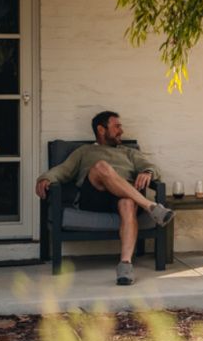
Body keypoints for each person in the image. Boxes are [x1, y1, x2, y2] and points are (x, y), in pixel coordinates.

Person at [35, 110, 174, 286]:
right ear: (101, 129)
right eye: (116, 127)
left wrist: (148, 172)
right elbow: (63, 170)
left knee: (127, 202)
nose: (121, 131)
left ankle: (125, 265)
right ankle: (150, 206)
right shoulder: (84, 151)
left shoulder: (129, 152)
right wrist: (45, 178)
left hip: (121, 197)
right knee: (101, 166)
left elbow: (151, 167)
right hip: (93, 196)